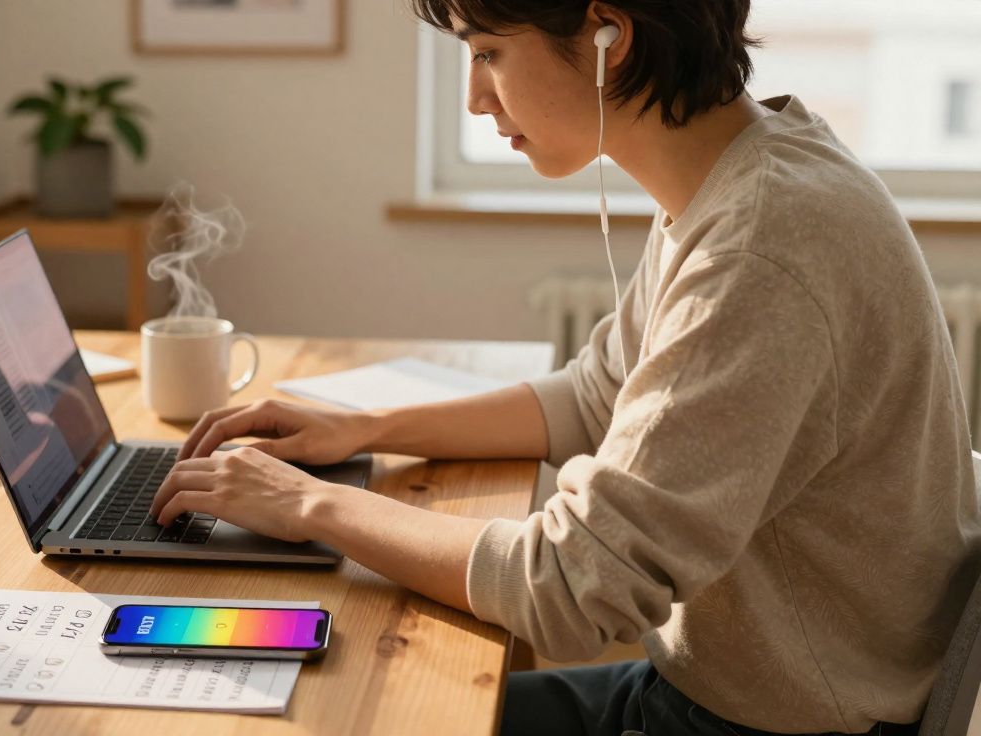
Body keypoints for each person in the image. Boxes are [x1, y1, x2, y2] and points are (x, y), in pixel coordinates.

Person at [147, 1, 981, 733]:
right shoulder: (747, 170)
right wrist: (367, 428)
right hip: (720, 691)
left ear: (608, 32)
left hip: (771, 724)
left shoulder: (762, 248)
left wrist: (310, 504)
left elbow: (571, 589)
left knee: (352, 706)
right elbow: (595, 395)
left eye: (487, 53)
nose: (475, 98)